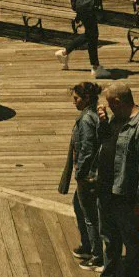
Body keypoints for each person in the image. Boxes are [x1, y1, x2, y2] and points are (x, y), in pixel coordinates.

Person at [87, 82, 139, 277]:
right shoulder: (116, 118)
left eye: (109, 103)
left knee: (132, 247)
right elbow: (106, 143)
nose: (106, 107)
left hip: (125, 197)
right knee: (110, 241)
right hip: (106, 191)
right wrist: (102, 122)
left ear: (118, 102)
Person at [57, 80, 103, 265]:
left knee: (90, 215)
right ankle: (87, 245)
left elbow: (87, 148)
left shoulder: (86, 120)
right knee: (78, 205)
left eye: (76, 98)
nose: (73, 102)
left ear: (86, 99)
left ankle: (97, 255)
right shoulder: (93, 115)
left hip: (88, 176)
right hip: (90, 174)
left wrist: (80, 174)